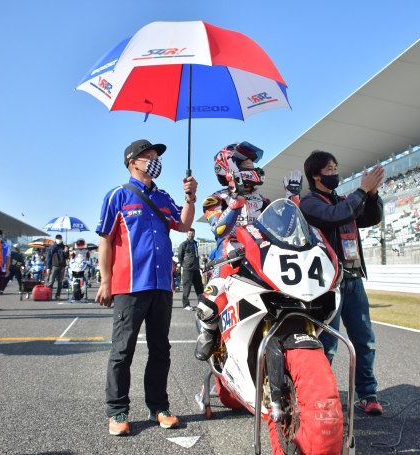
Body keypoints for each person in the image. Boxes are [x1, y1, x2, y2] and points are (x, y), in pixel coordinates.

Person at [94, 139, 198, 435]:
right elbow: (105, 240)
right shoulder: (118, 195)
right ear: (133, 162)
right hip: (129, 286)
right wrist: (105, 281)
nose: (154, 160)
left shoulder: (164, 196)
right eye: (148, 156)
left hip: (162, 285)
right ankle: (117, 411)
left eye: (156, 156)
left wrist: (190, 197)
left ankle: (158, 407)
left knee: (160, 349)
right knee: (122, 350)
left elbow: (182, 223)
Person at [194, 142, 302, 360]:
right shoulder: (215, 199)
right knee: (211, 304)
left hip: (262, 259)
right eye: (248, 164)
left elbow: (285, 230)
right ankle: (206, 333)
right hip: (228, 260)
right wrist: (235, 200)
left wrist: (292, 198)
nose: (255, 169)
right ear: (230, 168)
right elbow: (220, 229)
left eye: (254, 164)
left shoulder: (263, 201)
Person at [299, 150, 385, 415]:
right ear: (316, 175)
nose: (335, 172)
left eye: (336, 167)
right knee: (328, 344)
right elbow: (335, 216)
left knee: (365, 341)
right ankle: (319, 397)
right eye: (329, 168)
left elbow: (372, 218)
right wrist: (362, 191)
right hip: (327, 284)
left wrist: (371, 196)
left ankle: (367, 394)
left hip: (353, 279)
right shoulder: (309, 203)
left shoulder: (345, 200)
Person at [178, 229, 202, 310]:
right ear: (186, 234)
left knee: (199, 287)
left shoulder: (195, 244)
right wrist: (184, 265)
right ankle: (186, 304)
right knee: (187, 287)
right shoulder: (184, 244)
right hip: (187, 269)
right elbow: (180, 257)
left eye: (192, 233)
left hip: (196, 268)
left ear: (194, 234)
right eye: (189, 233)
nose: (191, 235)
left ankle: (201, 303)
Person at [45, 234, 68, 299]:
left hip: (62, 266)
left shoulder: (65, 247)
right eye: (58, 238)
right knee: (51, 281)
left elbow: (66, 257)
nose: (59, 239)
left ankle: (58, 295)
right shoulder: (52, 247)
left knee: (60, 282)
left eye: (60, 238)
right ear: (55, 239)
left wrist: (66, 252)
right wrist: (48, 267)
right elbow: (49, 257)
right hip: (54, 266)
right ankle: (48, 294)